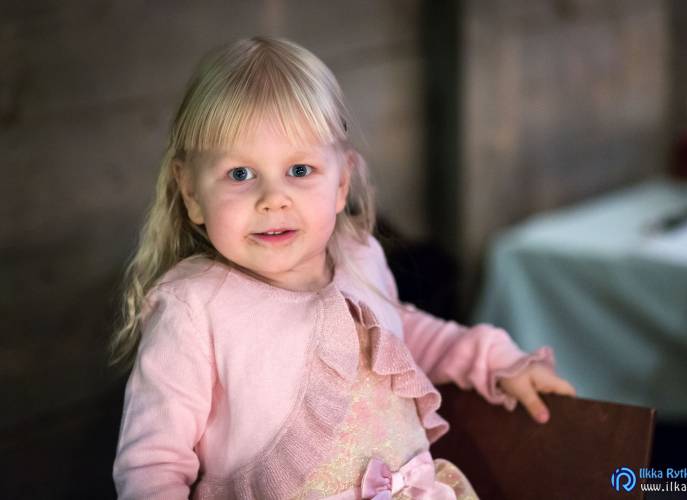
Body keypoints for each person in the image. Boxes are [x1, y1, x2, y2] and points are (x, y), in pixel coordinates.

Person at [110, 36, 576, 500]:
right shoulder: (194, 307)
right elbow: (152, 466)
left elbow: (403, 333)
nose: (273, 199)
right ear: (191, 192)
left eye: (299, 170)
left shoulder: (359, 256)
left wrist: (492, 359)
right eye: (240, 174)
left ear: (341, 183)